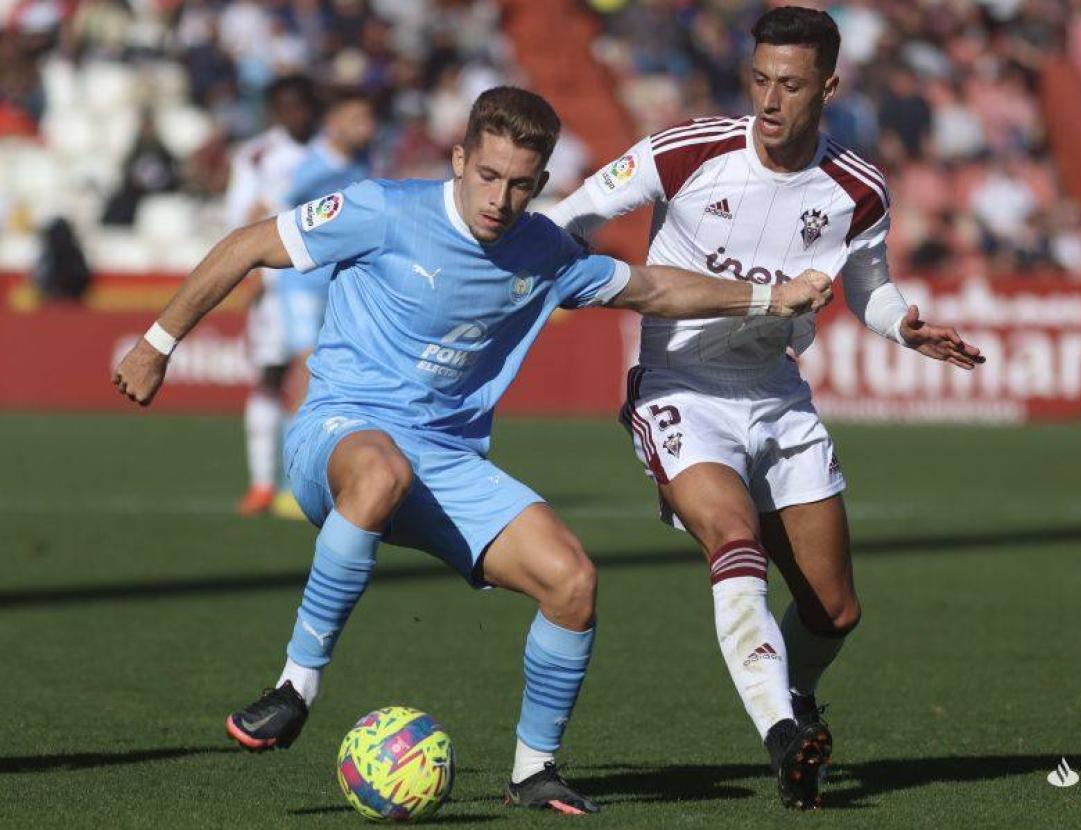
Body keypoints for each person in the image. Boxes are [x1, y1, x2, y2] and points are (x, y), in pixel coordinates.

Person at [111, 86, 834, 814]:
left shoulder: (545, 251)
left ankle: (533, 769)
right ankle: (295, 686)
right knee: (381, 471)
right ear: (458, 159)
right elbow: (246, 245)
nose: (500, 198)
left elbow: (650, 288)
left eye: (521, 184)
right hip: (339, 431)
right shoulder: (382, 210)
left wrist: (770, 300)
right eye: (487, 176)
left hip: (446, 461)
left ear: (542, 184)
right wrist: (157, 343)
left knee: (572, 582)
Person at [546, 6, 985, 810]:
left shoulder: (857, 188)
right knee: (733, 535)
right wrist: (533, 269)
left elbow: (869, 286)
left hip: (776, 398)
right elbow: (570, 214)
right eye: (759, 81)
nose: (770, 100)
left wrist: (904, 325)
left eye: (789, 84)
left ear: (829, 85)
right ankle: (784, 736)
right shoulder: (689, 152)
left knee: (835, 610)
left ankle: (799, 698)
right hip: (679, 389)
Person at [269, 90, 378, 519]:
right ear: (333, 122)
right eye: (357, 118)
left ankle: (330, 473)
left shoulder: (358, 163)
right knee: (302, 370)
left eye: (369, 118)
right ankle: (287, 482)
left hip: (338, 284)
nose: (366, 127)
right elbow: (270, 211)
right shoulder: (309, 167)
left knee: (337, 376)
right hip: (300, 283)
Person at [226, 74, 318, 517]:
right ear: (275, 111)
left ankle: (298, 484)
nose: (296, 114)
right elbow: (241, 219)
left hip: (322, 282)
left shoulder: (331, 153)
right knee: (269, 375)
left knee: (313, 381)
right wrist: (249, 273)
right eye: (287, 106)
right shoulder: (257, 154)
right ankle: (263, 483)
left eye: (302, 105)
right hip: (275, 282)